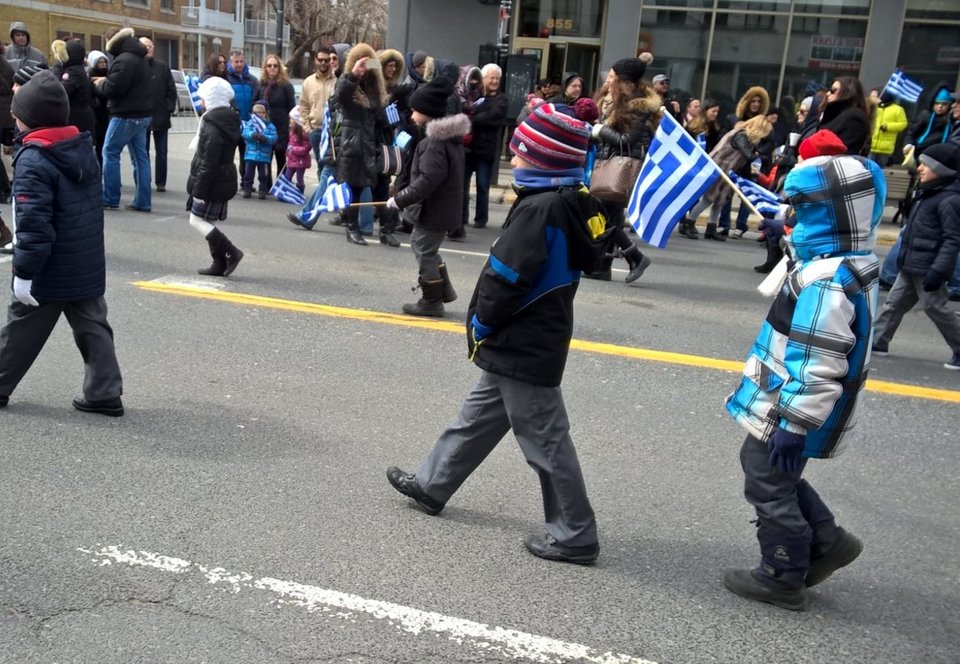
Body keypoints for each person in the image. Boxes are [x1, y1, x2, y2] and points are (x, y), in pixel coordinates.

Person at [386, 104, 613, 565]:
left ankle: (575, 534)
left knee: (547, 439)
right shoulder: (571, 199)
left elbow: (505, 277)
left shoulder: (539, 209)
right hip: (534, 333)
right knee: (478, 415)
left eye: (523, 154)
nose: (517, 161)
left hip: (522, 337)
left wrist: (481, 323)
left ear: (544, 160)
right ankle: (433, 484)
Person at [723, 148, 886, 611]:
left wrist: (794, 422)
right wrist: (786, 231)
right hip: (784, 399)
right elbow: (812, 248)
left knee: (766, 481)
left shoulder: (827, 282)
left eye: (803, 208)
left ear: (831, 214)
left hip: (787, 405)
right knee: (774, 473)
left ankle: (782, 571)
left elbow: (819, 359)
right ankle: (829, 540)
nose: (794, 216)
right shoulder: (847, 259)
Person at [0, 70, 123, 415]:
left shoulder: (34, 159)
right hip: (84, 258)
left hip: (49, 265)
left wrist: (24, 272)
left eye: (18, 111)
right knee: (93, 324)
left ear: (31, 119)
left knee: (22, 325)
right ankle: (104, 391)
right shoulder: (80, 146)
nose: (13, 115)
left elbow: (33, 224)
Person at [872, 142, 960, 370]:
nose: (919, 168)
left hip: (929, 266)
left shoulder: (948, 199)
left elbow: (952, 239)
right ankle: (877, 342)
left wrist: (939, 270)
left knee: (935, 307)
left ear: (941, 170)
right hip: (911, 263)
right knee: (894, 303)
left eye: (925, 165)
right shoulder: (929, 194)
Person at [385, 77, 468, 316]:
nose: (411, 115)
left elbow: (428, 180)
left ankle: (431, 300)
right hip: (442, 207)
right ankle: (444, 290)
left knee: (422, 248)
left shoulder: (435, 143)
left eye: (415, 110)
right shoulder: (447, 140)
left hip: (434, 209)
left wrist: (401, 199)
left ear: (427, 112)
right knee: (427, 247)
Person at [585, 55, 657, 281]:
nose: (609, 80)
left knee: (599, 213)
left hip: (622, 167)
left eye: (614, 76)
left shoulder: (638, 106)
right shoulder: (618, 101)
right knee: (610, 218)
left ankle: (633, 256)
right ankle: (605, 266)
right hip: (612, 163)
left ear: (626, 81)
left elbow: (627, 140)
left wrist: (599, 130)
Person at [682, 114, 774, 240]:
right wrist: (762, 157)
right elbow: (747, 155)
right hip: (719, 168)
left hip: (728, 171)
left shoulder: (746, 137)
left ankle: (711, 228)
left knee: (720, 201)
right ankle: (689, 223)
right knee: (708, 199)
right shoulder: (741, 136)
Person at [186, 76, 243, 277]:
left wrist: (198, 191)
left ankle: (231, 252)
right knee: (209, 222)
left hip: (212, 181)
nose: (200, 101)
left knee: (197, 220)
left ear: (211, 98)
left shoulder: (212, 125)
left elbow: (209, 162)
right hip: (219, 178)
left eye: (202, 97)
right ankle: (218, 263)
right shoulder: (223, 119)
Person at [93, 27, 153, 213]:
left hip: (125, 114)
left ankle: (110, 197)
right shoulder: (139, 56)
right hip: (142, 114)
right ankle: (143, 200)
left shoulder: (123, 60)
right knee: (140, 157)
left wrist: (100, 83)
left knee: (110, 152)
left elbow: (114, 89)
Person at [336, 43, 386, 246]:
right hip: (352, 143)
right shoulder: (348, 83)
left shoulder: (375, 88)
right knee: (352, 188)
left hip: (369, 143)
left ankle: (383, 228)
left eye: (369, 62)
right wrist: (353, 74)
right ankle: (351, 227)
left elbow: (379, 115)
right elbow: (340, 96)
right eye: (361, 62)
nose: (365, 67)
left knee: (367, 186)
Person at [458, 63, 508, 236]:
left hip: (485, 150)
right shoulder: (474, 95)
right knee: (462, 184)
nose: (494, 81)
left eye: (497, 78)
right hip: (468, 147)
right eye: (491, 77)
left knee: (482, 186)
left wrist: (472, 118)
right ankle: (462, 217)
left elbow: (493, 117)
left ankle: (480, 219)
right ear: (483, 79)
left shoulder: (502, 99)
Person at [139, 37, 177, 193]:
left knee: (162, 152)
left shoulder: (162, 67)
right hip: (142, 116)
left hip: (161, 115)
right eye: (145, 46)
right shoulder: (136, 66)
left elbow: (171, 90)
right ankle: (144, 180)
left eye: (151, 46)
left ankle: (161, 182)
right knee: (143, 152)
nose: (148, 49)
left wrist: (168, 107)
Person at [225, 49, 259, 191]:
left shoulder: (252, 80)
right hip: (232, 124)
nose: (239, 64)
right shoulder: (226, 79)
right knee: (228, 156)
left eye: (241, 61)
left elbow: (257, 98)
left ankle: (246, 182)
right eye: (236, 61)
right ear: (231, 62)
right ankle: (227, 183)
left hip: (248, 124)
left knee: (246, 155)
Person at [258, 54, 296, 180]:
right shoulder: (261, 85)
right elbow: (255, 103)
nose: (272, 68)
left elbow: (292, 108)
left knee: (281, 157)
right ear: (265, 68)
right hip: (265, 128)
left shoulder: (286, 86)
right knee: (265, 158)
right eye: (269, 66)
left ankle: (281, 183)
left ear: (279, 68)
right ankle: (266, 183)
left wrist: (291, 127)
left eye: (275, 65)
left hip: (281, 128)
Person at [51, 40, 95, 137]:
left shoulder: (73, 71)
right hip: (80, 118)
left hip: (76, 119)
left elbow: (59, 90)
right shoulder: (78, 69)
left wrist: (58, 66)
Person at [817, 76, 871, 156]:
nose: (828, 94)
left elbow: (843, 152)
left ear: (847, 93)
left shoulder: (854, 118)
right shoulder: (835, 114)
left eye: (833, 91)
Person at [904, 85, 955, 161]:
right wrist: (908, 144)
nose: (940, 106)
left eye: (944, 104)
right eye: (937, 103)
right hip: (921, 152)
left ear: (950, 105)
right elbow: (911, 133)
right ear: (933, 103)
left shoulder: (952, 119)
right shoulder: (925, 115)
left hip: (942, 155)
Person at [240, 99, 277, 199]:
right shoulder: (251, 123)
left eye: (262, 112)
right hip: (251, 154)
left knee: (263, 175)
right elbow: (244, 133)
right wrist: (252, 135)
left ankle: (262, 190)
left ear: (266, 113)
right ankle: (247, 189)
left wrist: (265, 138)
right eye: (257, 112)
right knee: (248, 174)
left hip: (264, 156)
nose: (260, 114)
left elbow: (274, 138)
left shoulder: (270, 126)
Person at [868, 89, 907, 167]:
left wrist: (888, 126)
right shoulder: (871, 107)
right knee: (867, 168)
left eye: (874, 96)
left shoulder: (897, 109)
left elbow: (903, 124)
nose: (871, 98)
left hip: (885, 147)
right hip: (870, 145)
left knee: (879, 168)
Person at [86, 50, 109, 167]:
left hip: (107, 115)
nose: (103, 65)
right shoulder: (88, 76)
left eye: (105, 62)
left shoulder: (109, 76)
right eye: (100, 63)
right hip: (94, 115)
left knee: (105, 145)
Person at [284, 106, 311, 193]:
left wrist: (293, 149)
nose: (290, 121)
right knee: (287, 177)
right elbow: (290, 143)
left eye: (292, 119)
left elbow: (306, 148)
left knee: (299, 178)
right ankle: (285, 191)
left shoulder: (304, 133)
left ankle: (300, 192)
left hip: (300, 161)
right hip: (292, 159)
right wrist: (288, 152)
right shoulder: (291, 131)